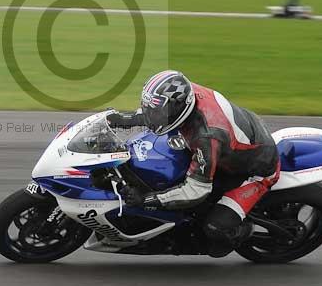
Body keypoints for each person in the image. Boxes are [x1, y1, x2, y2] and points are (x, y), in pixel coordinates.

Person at [107, 70, 280, 256]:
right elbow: (159, 111)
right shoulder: (183, 93)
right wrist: (122, 119)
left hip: (256, 170)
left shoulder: (207, 137)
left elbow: (196, 191)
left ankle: (243, 230)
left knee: (215, 228)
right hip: (236, 142)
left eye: (158, 112)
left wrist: (147, 199)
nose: (153, 115)